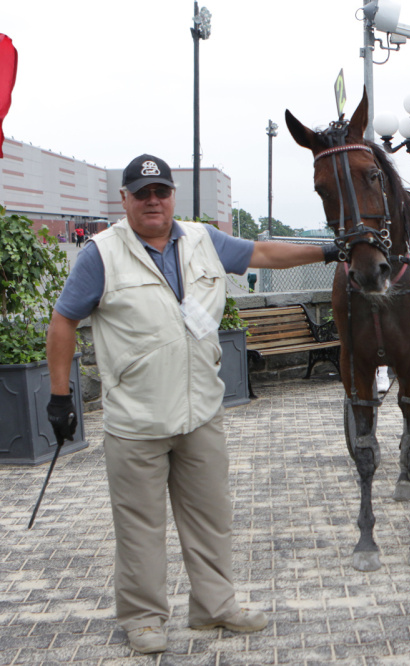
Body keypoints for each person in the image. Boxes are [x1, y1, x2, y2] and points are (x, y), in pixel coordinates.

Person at [44, 154, 337, 654]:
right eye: (142, 193)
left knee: (211, 515)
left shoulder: (203, 240)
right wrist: (59, 397)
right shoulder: (102, 254)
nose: (153, 200)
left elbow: (263, 255)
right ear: (125, 200)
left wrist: (329, 253)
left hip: (201, 411)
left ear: (172, 196)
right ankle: (143, 618)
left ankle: (214, 606)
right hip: (136, 420)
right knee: (139, 526)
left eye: (161, 191)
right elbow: (63, 322)